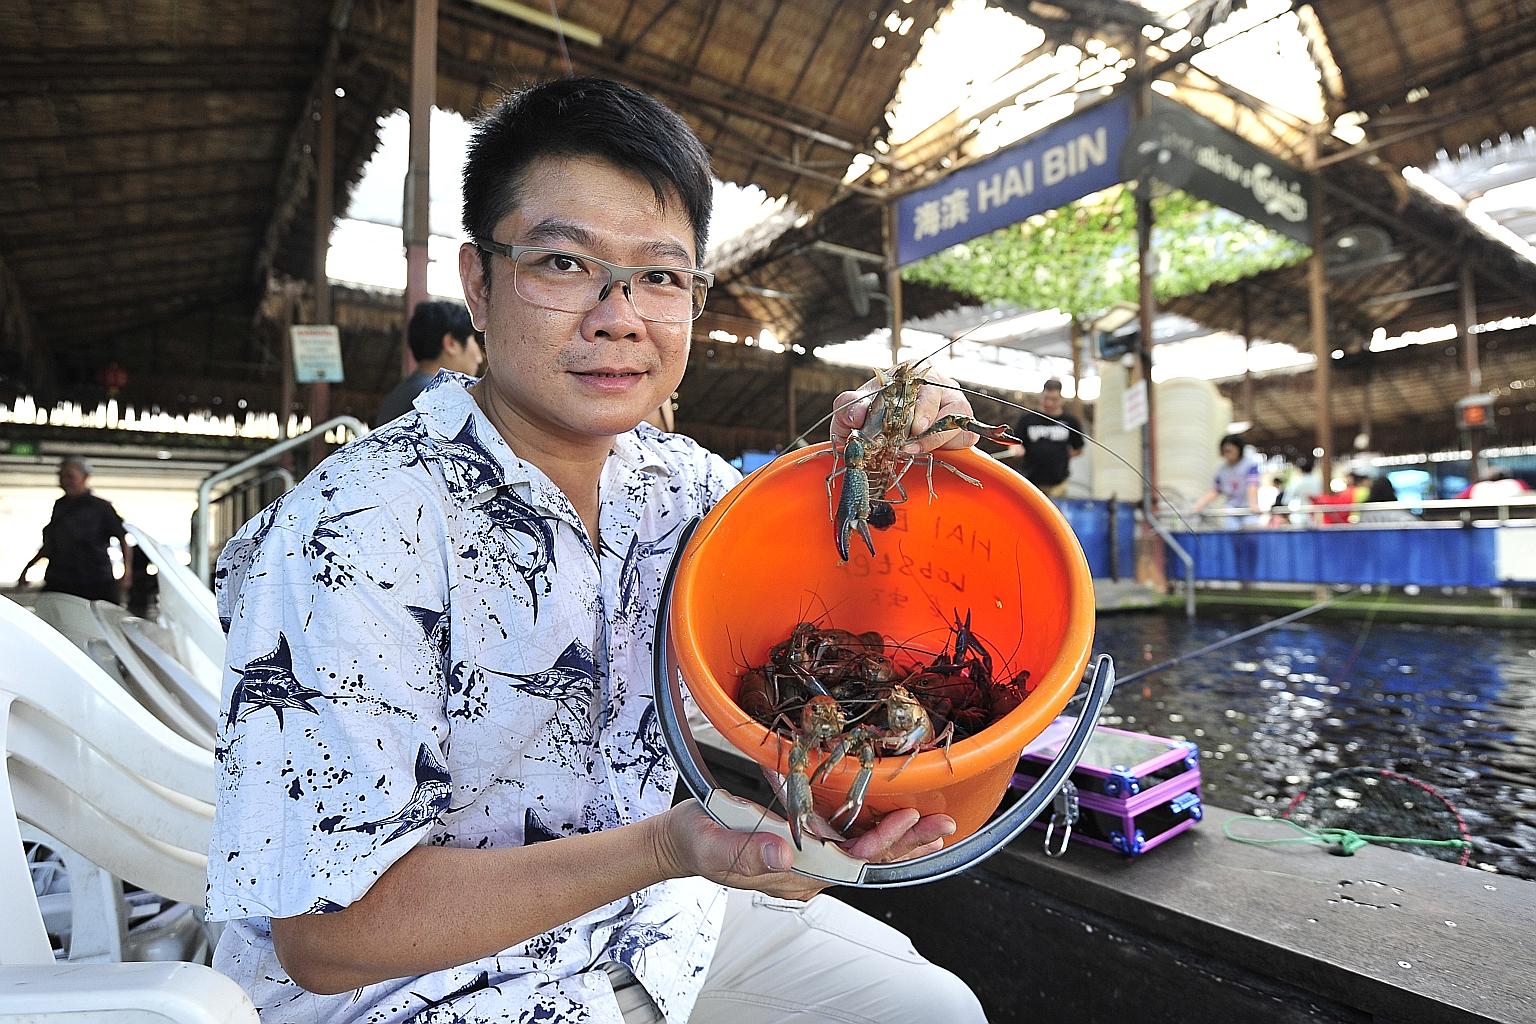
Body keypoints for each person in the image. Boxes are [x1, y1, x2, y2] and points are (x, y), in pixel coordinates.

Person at [207, 77, 985, 1024]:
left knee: (934, 1008)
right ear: (478, 284)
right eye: (564, 263)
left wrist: (880, 454)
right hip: (424, 990)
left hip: (659, 932)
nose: (620, 316)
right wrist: (665, 848)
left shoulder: (684, 486)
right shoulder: (349, 531)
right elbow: (327, 934)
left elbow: (843, 583)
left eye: (661, 277)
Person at [17, 457, 132, 603]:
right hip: (60, 578)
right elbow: (51, 545)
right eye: (61, 476)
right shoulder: (60, 506)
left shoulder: (101, 507)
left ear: (85, 477)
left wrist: (127, 572)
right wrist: (28, 568)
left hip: (95, 579)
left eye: (70, 476)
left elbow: (122, 538)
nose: (65, 481)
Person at [375, 298, 483, 423]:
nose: (479, 357)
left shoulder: (395, 398)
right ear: (451, 344)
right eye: (473, 341)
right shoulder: (442, 397)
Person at [1010, 377, 1083, 498]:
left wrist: (1062, 456)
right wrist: (1016, 448)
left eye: (1054, 399)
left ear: (1061, 399)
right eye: (1046, 398)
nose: (1049, 403)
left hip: (1058, 484)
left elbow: (1079, 448)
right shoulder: (1027, 419)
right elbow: (1013, 442)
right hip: (1030, 481)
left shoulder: (1070, 421)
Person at [1192, 434, 1261, 528]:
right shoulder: (1221, 469)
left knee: (1251, 529)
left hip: (1248, 507)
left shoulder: (1250, 464)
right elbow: (1216, 490)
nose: (1227, 454)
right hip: (1231, 508)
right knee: (1231, 530)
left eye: (1229, 451)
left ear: (1239, 449)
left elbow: (1252, 485)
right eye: (1224, 451)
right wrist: (1199, 505)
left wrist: (1253, 505)